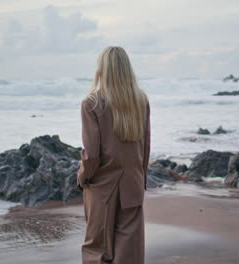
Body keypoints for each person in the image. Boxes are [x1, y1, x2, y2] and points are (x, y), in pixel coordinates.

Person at [77, 46, 151, 264]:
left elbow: (91, 155)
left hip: (103, 189)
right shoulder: (141, 101)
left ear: (102, 69)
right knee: (130, 253)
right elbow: (145, 148)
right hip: (132, 184)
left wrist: (82, 177)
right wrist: (141, 178)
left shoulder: (92, 103)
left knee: (97, 251)